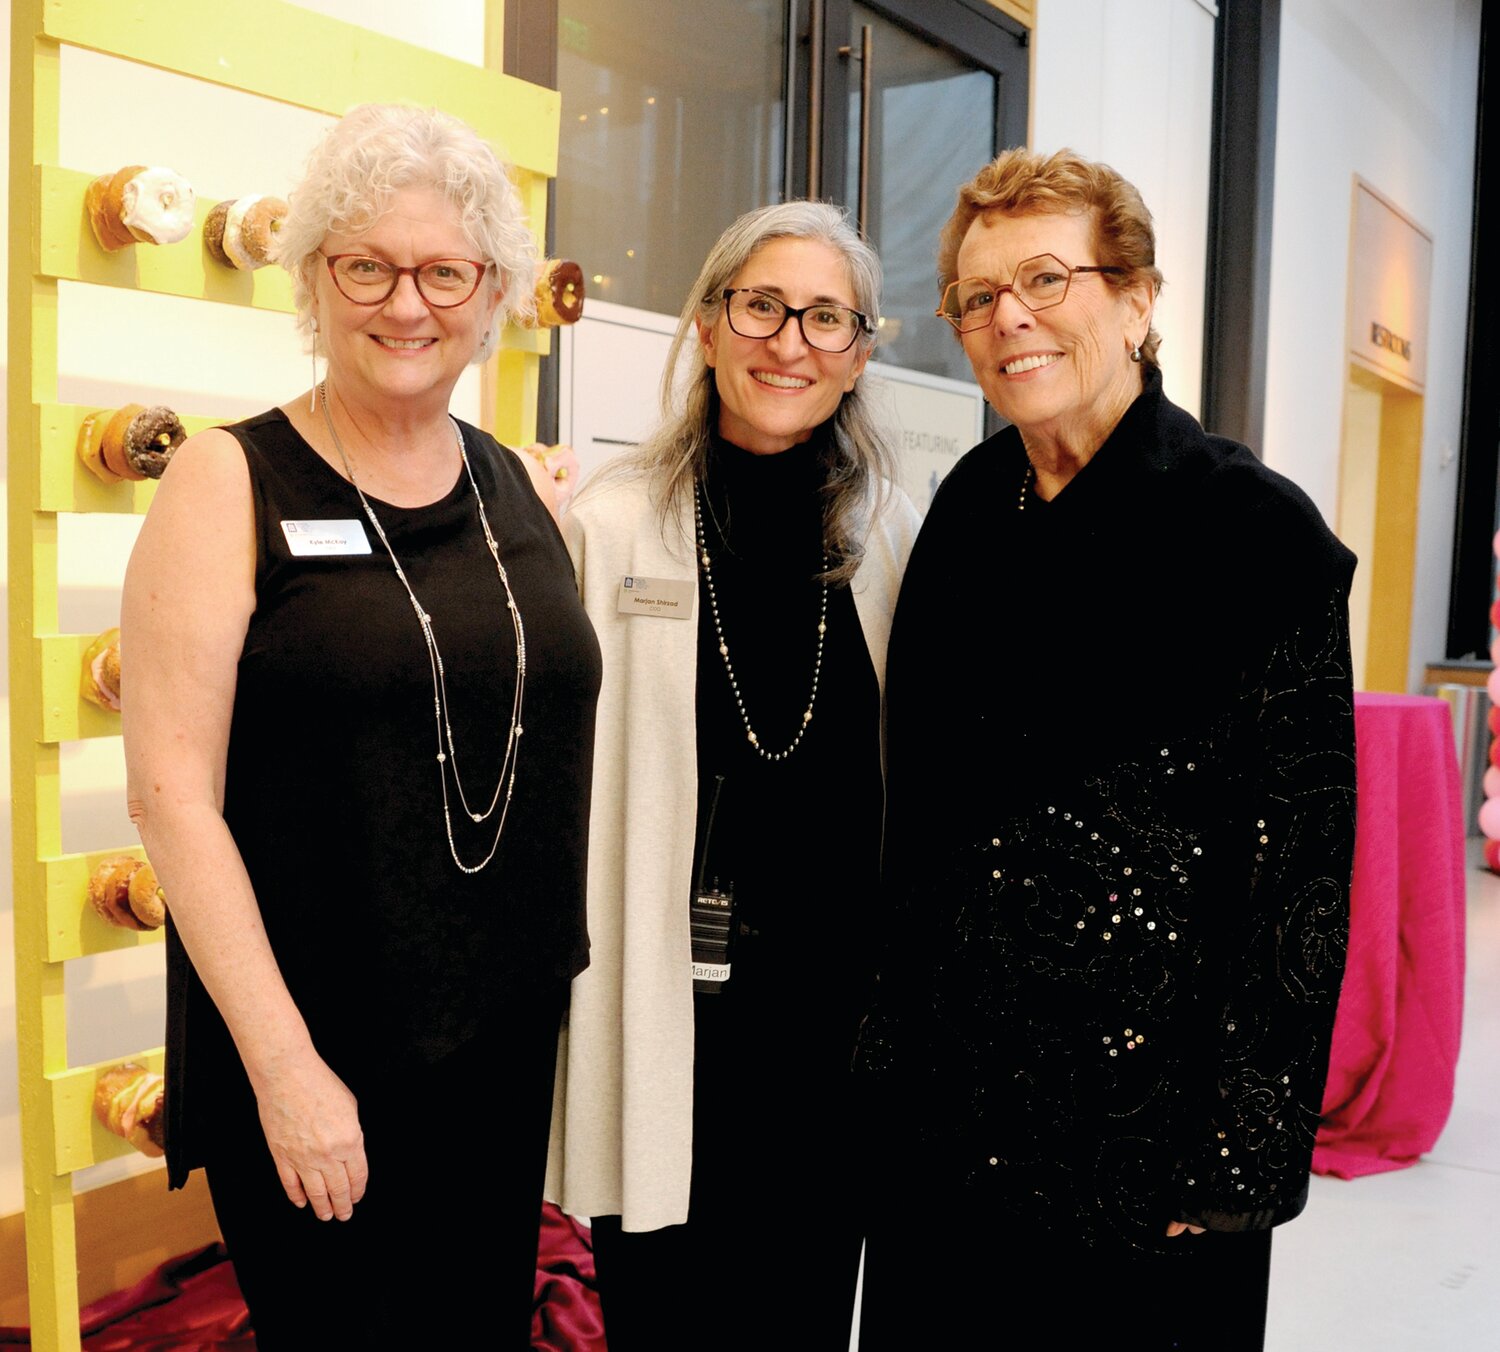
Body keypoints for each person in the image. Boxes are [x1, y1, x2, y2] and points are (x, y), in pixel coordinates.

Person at [854, 148, 1357, 1350]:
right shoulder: (971, 505)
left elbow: (1305, 875)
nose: (1006, 319)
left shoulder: (1255, 531)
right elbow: (914, 819)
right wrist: (882, 1070)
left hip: (1148, 1138)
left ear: (1136, 299)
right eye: (977, 297)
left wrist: (1235, 1156)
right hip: (951, 1117)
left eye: (1043, 278)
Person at [121, 104, 601, 1348]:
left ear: (489, 289)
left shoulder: (516, 484)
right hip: (314, 1043)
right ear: (314, 278)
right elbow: (171, 795)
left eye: (445, 270)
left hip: (495, 1049)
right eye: (368, 265)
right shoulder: (228, 481)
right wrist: (285, 1069)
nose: (407, 303)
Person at [545, 201, 920, 1350]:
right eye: (759, 304)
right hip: (669, 1009)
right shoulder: (604, 528)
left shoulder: (896, 537)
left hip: (833, 1028)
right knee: (666, 1307)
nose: (788, 341)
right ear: (708, 326)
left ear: (859, 355)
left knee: (805, 1311)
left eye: (825, 317)